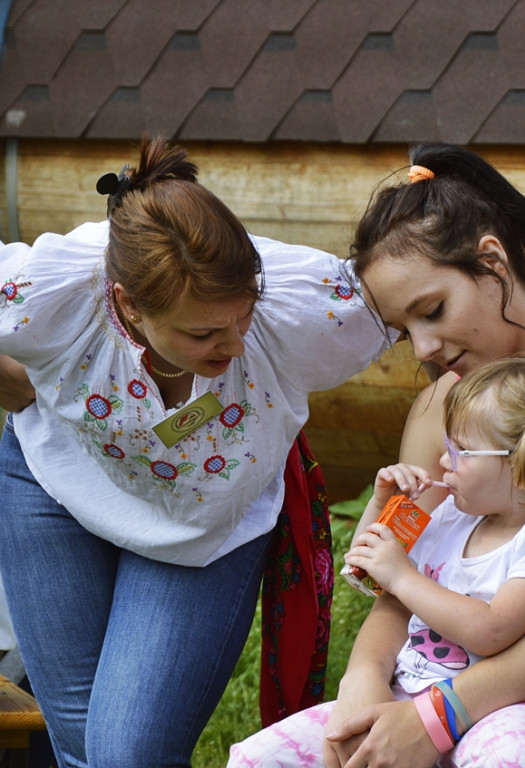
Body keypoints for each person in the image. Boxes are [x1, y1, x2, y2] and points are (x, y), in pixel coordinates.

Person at [233, 142, 525, 768]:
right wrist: (367, 685)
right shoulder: (438, 411)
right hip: (445, 698)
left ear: (492, 262)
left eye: (433, 310)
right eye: (407, 331)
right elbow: (400, 586)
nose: (425, 347)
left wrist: (433, 718)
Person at [0, 135, 391, 767]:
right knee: (77, 750)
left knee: (127, 755)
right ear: (127, 305)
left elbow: (421, 301)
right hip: (52, 490)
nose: (235, 343)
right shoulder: (51, 286)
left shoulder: (307, 303)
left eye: (243, 316)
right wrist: (9, 378)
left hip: (201, 523)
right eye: (204, 332)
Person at [230, 353, 525, 767]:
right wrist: (381, 506)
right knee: (257, 758)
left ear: (524, 470)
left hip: (497, 710)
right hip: (404, 695)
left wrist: (403, 576)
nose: (444, 461)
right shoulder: (450, 515)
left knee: (511, 759)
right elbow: (365, 575)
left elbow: (492, 630)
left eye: (461, 450)